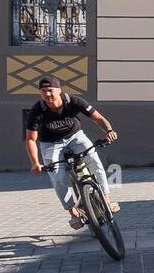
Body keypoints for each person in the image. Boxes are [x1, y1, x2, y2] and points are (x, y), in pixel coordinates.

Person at [24, 77, 119, 229]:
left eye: (50, 90)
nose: (47, 94)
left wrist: (109, 130)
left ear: (59, 90)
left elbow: (98, 118)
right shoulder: (37, 110)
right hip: (50, 144)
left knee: (94, 162)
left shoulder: (73, 101)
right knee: (57, 178)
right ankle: (73, 214)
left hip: (75, 137)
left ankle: (107, 201)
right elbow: (30, 139)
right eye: (44, 91)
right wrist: (35, 163)